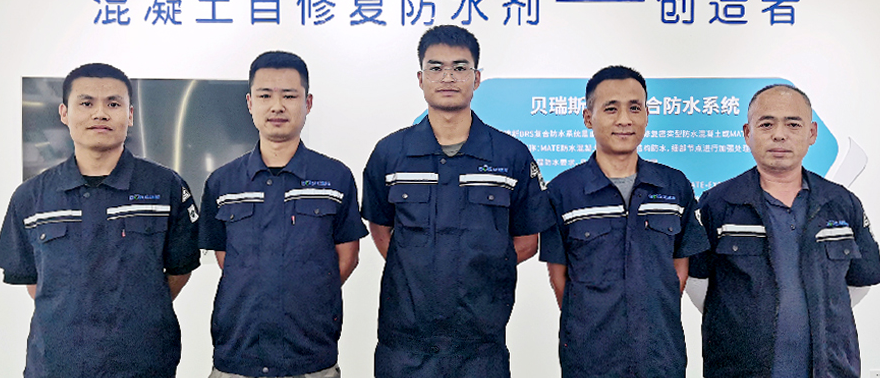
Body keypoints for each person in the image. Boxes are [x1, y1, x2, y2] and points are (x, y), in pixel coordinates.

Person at [362, 25, 554, 378]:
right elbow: (381, 227)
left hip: (480, 346)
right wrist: (419, 266)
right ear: (420, 78)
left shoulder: (510, 155)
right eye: (436, 68)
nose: (448, 77)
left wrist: (485, 268)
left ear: (477, 78)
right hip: (405, 345)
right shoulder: (390, 154)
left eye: (460, 67)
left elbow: (528, 239)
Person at [0, 63, 200, 378]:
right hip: (56, 366)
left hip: (144, 365)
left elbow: (180, 269)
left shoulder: (166, 187)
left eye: (113, 104)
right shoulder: (31, 197)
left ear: (130, 115)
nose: (100, 114)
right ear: (64, 113)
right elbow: (35, 282)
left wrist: (140, 307)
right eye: (86, 103)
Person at [689, 84, 880, 378]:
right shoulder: (717, 204)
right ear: (747, 133)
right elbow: (697, 282)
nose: (779, 134)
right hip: (739, 369)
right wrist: (739, 322)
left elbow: (861, 279)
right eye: (766, 124)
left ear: (812, 133)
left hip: (830, 369)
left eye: (793, 124)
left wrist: (821, 315)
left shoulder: (841, 203)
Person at [199, 51, 367, 378]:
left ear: (308, 102)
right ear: (250, 103)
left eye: (289, 96)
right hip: (238, 354)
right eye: (265, 96)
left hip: (310, 356)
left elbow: (347, 257)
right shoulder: (223, 182)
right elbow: (226, 259)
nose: (277, 106)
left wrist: (309, 293)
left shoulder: (335, 177)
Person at [539, 65, 709, 378]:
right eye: (611, 108)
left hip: (660, 355)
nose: (624, 120)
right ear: (588, 117)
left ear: (647, 115)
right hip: (590, 358)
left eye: (634, 108)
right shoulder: (563, 192)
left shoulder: (674, 186)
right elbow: (559, 276)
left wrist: (650, 312)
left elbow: (679, 268)